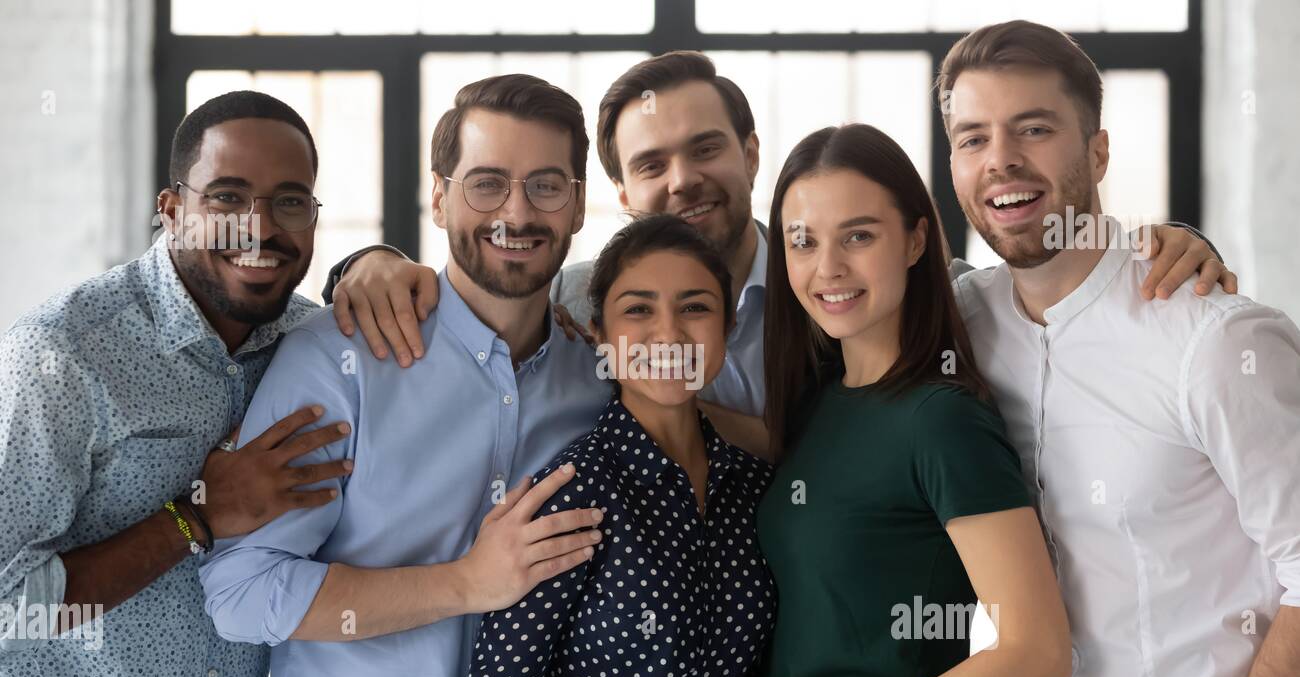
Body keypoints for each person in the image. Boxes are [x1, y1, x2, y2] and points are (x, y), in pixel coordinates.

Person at [320, 51, 1232, 422]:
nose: (683, 178)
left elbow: (1026, 283)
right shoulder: (576, 300)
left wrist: (1167, 240)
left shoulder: (870, 282)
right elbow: (475, 293)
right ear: (622, 189)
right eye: (652, 163)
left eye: (706, 147)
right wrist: (370, 262)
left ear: (750, 151)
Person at [199, 74, 617, 677]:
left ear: (578, 204)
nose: (517, 212)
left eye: (546, 184)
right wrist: (465, 583)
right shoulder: (340, 359)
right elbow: (241, 593)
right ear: (439, 198)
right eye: (486, 182)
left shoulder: (596, 382)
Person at [940, 20, 1300, 677]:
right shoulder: (958, 322)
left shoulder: (1215, 337)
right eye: (973, 138)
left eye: (1034, 129)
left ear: (1098, 152)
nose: (1001, 161)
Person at [0, 91, 352, 677]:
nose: (260, 227)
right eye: (226, 196)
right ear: (171, 210)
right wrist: (194, 517)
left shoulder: (315, 349)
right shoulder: (64, 353)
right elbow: (6, 605)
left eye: (290, 201)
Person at [751, 123, 1071, 677]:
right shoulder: (815, 401)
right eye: (803, 242)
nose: (828, 269)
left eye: (859, 236)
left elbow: (1037, 651)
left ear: (916, 240)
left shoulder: (942, 419)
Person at [454, 214, 775, 677]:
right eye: (638, 310)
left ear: (728, 328)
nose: (668, 333)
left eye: (694, 307)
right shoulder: (570, 497)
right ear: (600, 334)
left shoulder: (755, 488)